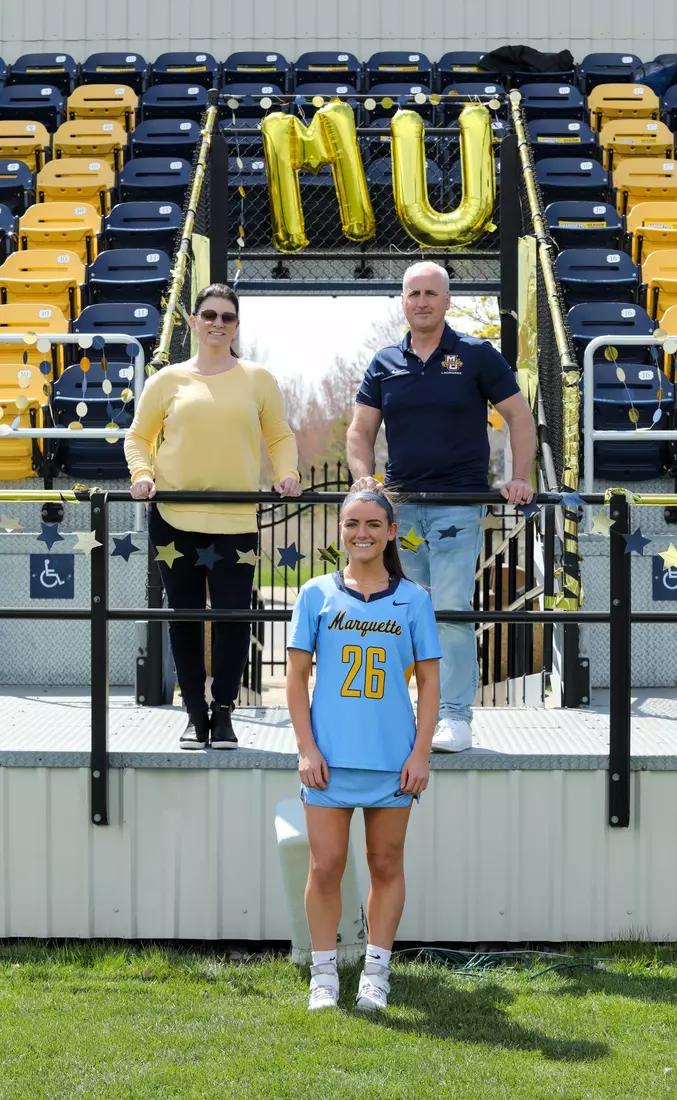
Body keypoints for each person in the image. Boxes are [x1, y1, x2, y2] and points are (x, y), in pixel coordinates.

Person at [346, 261, 536, 754]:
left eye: (432, 293)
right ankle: (403, 713)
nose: (423, 301)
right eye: (414, 293)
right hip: (402, 513)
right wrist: (364, 480)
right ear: (403, 301)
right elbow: (359, 432)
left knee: (450, 610)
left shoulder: (476, 354)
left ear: (448, 301)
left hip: (458, 505)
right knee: (406, 611)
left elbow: (519, 416)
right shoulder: (384, 361)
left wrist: (519, 477)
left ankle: (454, 718)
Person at [125, 283, 301, 750]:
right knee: (182, 619)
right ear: (193, 322)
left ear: (236, 325)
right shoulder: (168, 380)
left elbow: (280, 436)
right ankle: (193, 715)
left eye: (227, 317)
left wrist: (287, 474)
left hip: (235, 521)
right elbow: (138, 438)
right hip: (174, 519)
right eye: (209, 315)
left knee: (232, 619)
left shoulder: (258, 378)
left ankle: (222, 712)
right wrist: (142, 474)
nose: (217, 323)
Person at [286, 490, 440, 1012]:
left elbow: (430, 684)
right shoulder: (315, 594)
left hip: (392, 761)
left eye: (374, 523)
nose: (362, 533)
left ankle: (376, 972)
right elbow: (295, 681)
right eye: (352, 523)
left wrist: (420, 753)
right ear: (340, 529)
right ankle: (323, 975)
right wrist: (306, 749)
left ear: (391, 530)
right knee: (325, 866)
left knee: (386, 863)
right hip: (328, 759)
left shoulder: (414, 600)